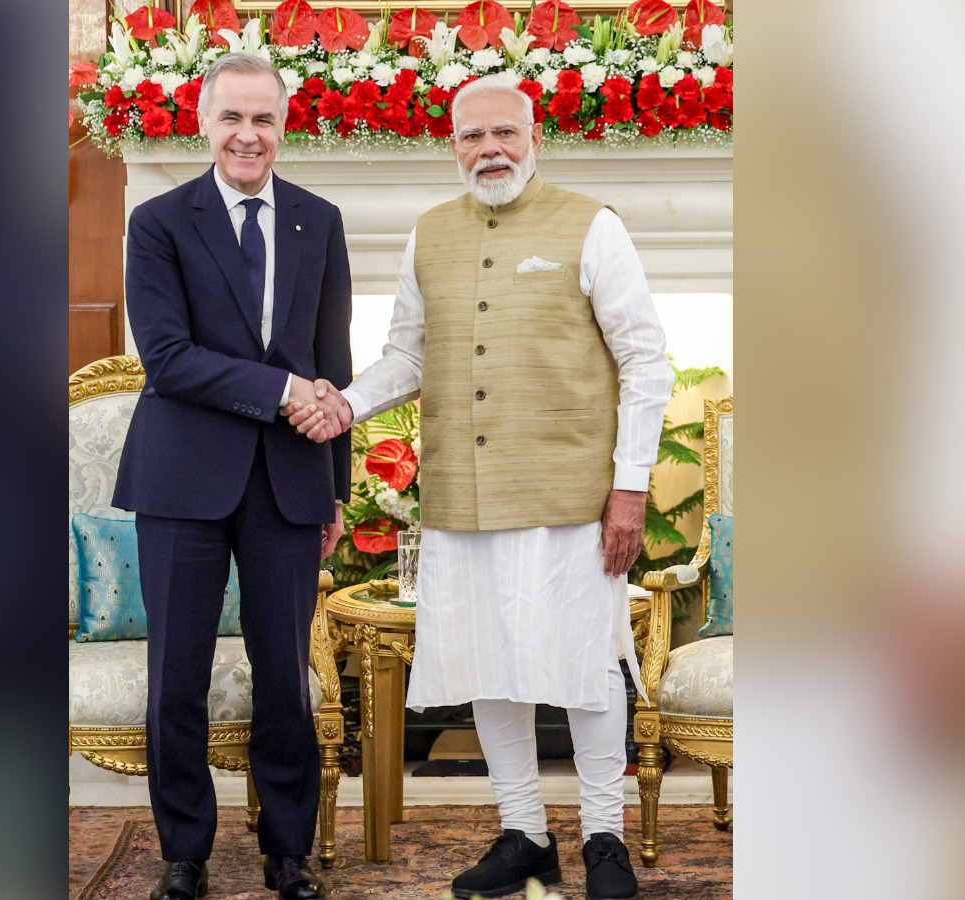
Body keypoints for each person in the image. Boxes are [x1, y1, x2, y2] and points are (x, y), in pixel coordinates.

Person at [289, 72, 673, 900]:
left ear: (535, 138)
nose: (490, 150)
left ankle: (603, 838)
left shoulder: (592, 226)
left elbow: (646, 359)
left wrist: (631, 487)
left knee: (586, 665)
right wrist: (342, 404)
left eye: (505, 133)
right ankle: (524, 833)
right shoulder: (430, 233)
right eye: (472, 136)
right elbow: (408, 354)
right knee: (488, 667)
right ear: (451, 144)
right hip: (463, 499)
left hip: (575, 498)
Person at [112, 52, 353, 900]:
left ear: (284, 127)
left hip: (289, 482)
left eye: (264, 119)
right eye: (232, 119)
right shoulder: (158, 221)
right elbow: (169, 359)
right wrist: (282, 389)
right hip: (181, 478)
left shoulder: (320, 220)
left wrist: (337, 487)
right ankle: (186, 852)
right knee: (176, 672)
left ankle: (288, 849)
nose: (248, 135)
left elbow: (333, 361)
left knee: (286, 674)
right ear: (203, 123)